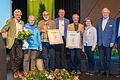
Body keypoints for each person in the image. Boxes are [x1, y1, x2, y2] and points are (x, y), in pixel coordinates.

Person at [0, 9, 24, 78]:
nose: (18, 16)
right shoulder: (11, 21)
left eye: (19, 14)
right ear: (14, 15)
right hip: (12, 41)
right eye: (17, 14)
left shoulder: (22, 22)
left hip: (19, 41)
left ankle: (16, 70)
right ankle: (15, 72)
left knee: (20, 56)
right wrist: (4, 33)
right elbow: (3, 29)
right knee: (12, 57)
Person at [96, 8, 116, 75]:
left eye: (106, 12)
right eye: (103, 12)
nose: (105, 13)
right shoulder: (98, 21)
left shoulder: (113, 21)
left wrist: (112, 42)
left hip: (108, 43)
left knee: (108, 58)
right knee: (101, 58)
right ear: (102, 13)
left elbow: (114, 33)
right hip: (100, 43)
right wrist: (96, 41)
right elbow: (97, 32)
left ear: (109, 12)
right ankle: (102, 70)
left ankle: (108, 71)